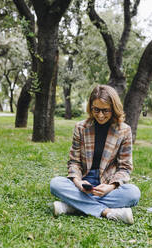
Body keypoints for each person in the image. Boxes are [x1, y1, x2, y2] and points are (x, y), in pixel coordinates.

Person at [50, 85, 141, 224]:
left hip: (108, 184)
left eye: (105, 110)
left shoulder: (124, 131)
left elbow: (125, 167)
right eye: (96, 109)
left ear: (114, 109)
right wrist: (78, 182)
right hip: (84, 183)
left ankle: (73, 206)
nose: (100, 115)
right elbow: (74, 162)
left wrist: (110, 187)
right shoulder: (81, 127)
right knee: (55, 184)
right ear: (91, 107)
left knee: (133, 193)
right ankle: (106, 212)